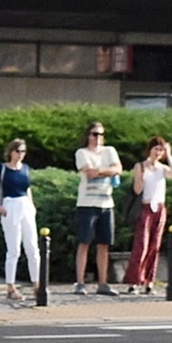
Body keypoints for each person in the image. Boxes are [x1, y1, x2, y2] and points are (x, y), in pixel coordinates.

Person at [0, 139, 39, 302]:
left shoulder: (26, 169)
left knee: (33, 248)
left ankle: (37, 284)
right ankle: (11, 286)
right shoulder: (2, 169)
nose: (20, 155)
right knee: (14, 249)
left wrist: (32, 205)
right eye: (17, 151)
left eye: (23, 151)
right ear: (11, 152)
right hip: (10, 204)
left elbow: (27, 188)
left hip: (25, 205)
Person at [72, 122, 122, 294]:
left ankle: (103, 283)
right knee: (84, 242)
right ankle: (79, 282)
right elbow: (89, 172)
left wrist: (101, 170)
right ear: (88, 135)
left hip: (106, 203)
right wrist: (108, 170)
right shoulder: (82, 153)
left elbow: (119, 168)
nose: (98, 137)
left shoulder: (110, 151)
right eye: (94, 134)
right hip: (87, 203)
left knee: (104, 244)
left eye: (101, 134)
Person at [124, 137, 172, 291]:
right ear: (150, 149)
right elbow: (137, 190)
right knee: (141, 245)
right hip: (145, 208)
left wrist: (169, 155)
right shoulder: (141, 166)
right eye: (156, 149)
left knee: (155, 246)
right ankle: (134, 281)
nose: (158, 152)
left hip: (159, 209)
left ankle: (149, 281)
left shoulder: (162, 168)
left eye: (161, 150)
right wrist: (140, 178)